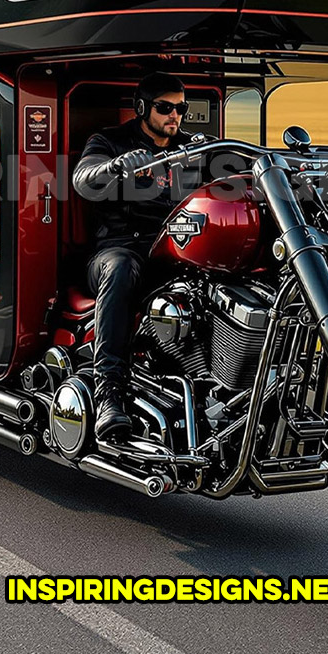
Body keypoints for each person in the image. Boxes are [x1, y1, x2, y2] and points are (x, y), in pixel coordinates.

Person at [72, 71, 203, 439]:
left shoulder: (191, 149)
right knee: (121, 267)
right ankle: (109, 391)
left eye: (180, 108)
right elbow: (83, 179)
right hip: (116, 252)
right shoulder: (110, 142)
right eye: (165, 108)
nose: (174, 115)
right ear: (143, 107)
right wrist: (113, 167)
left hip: (172, 254)